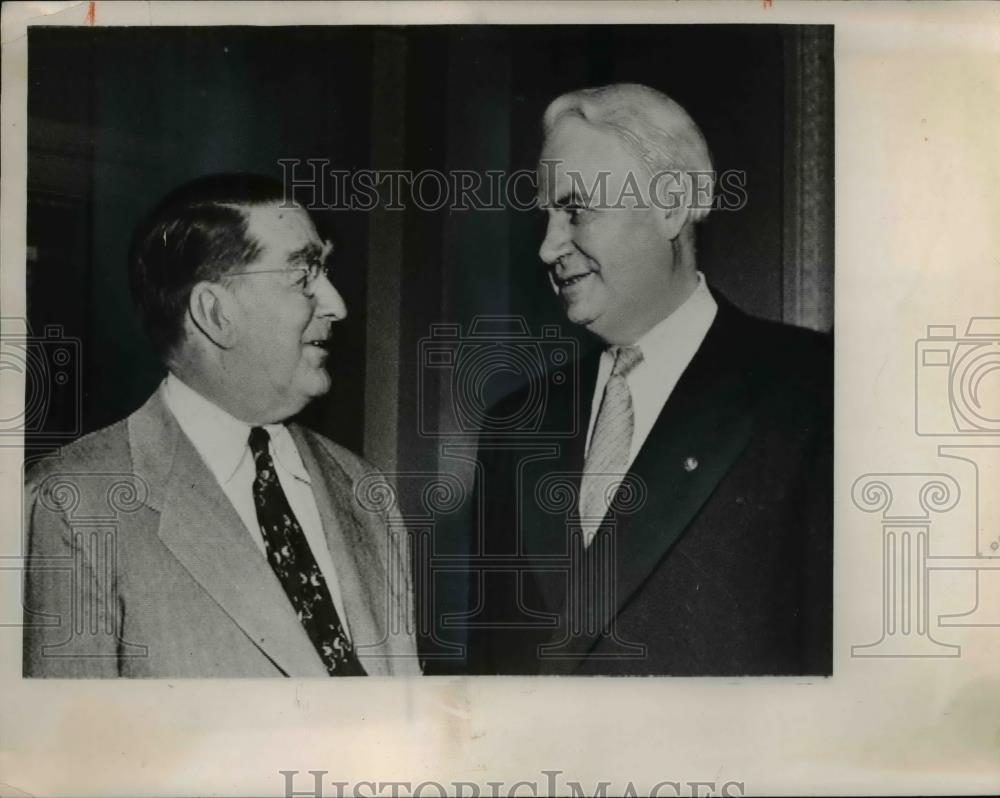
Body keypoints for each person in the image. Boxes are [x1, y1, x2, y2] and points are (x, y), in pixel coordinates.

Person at [468, 84, 832, 676]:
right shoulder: (515, 423)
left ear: (669, 205)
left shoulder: (816, 391)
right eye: (546, 216)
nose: (547, 247)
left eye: (576, 210)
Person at [23, 174, 419, 677]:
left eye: (326, 272)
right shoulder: (74, 505)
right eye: (303, 277)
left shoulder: (366, 490)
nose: (337, 304)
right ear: (215, 313)